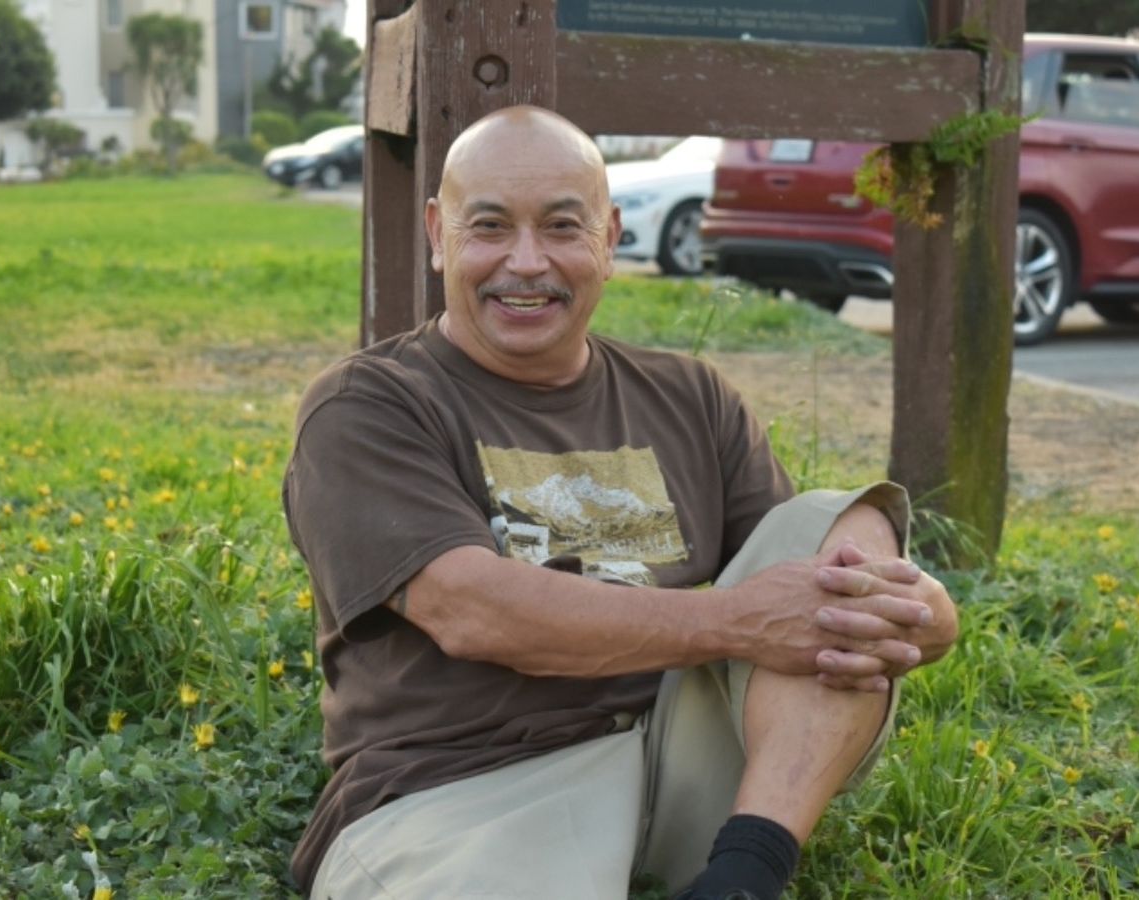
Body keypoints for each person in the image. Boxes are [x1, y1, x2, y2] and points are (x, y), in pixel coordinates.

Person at [283, 105, 959, 900]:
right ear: (438, 234)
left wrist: (922, 616)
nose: (526, 262)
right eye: (490, 227)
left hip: (680, 768)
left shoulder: (691, 395)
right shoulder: (369, 405)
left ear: (609, 237)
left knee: (842, 523)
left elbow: (811, 578)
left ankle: (743, 876)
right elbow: (471, 611)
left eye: (562, 227)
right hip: (462, 788)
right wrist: (737, 620)